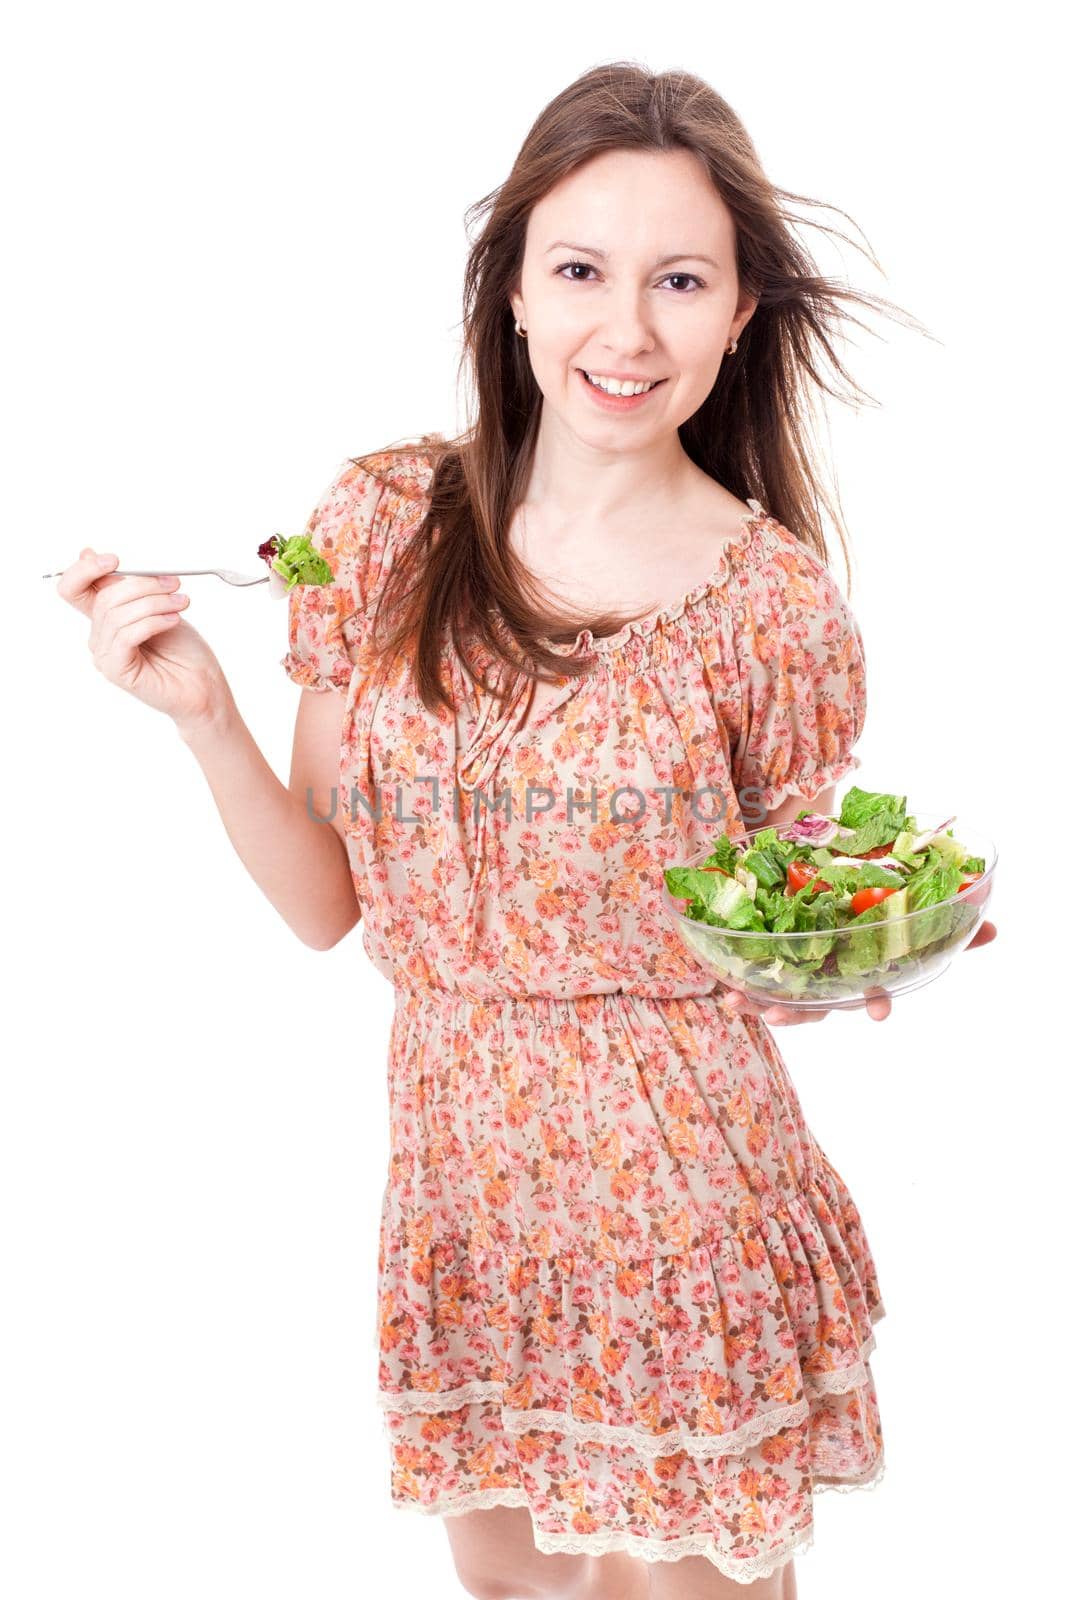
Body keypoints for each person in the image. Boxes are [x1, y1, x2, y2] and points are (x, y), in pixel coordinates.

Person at [55, 61, 996, 1600]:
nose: (623, 333)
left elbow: (786, 916)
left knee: (678, 1590)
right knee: (509, 1586)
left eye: (678, 280)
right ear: (508, 290)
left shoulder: (769, 605)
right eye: (579, 271)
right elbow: (323, 907)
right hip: (459, 1162)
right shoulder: (379, 525)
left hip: (677, 1174)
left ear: (739, 309)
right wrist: (202, 716)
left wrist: (850, 948)